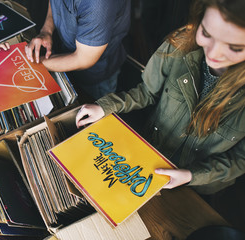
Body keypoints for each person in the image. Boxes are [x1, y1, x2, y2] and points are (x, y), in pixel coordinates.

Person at [75, 0, 245, 195]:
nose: (214, 53)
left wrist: (191, 175)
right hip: (148, 158)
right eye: (206, 33)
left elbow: (240, 160)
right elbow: (147, 92)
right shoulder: (179, 45)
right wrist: (106, 106)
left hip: (196, 188)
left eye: (235, 47)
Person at [24, 0, 131, 100]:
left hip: (95, 76)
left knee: (90, 110)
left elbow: (83, 59)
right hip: (66, 52)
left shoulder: (98, 4)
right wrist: (46, 30)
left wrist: (33, 64)